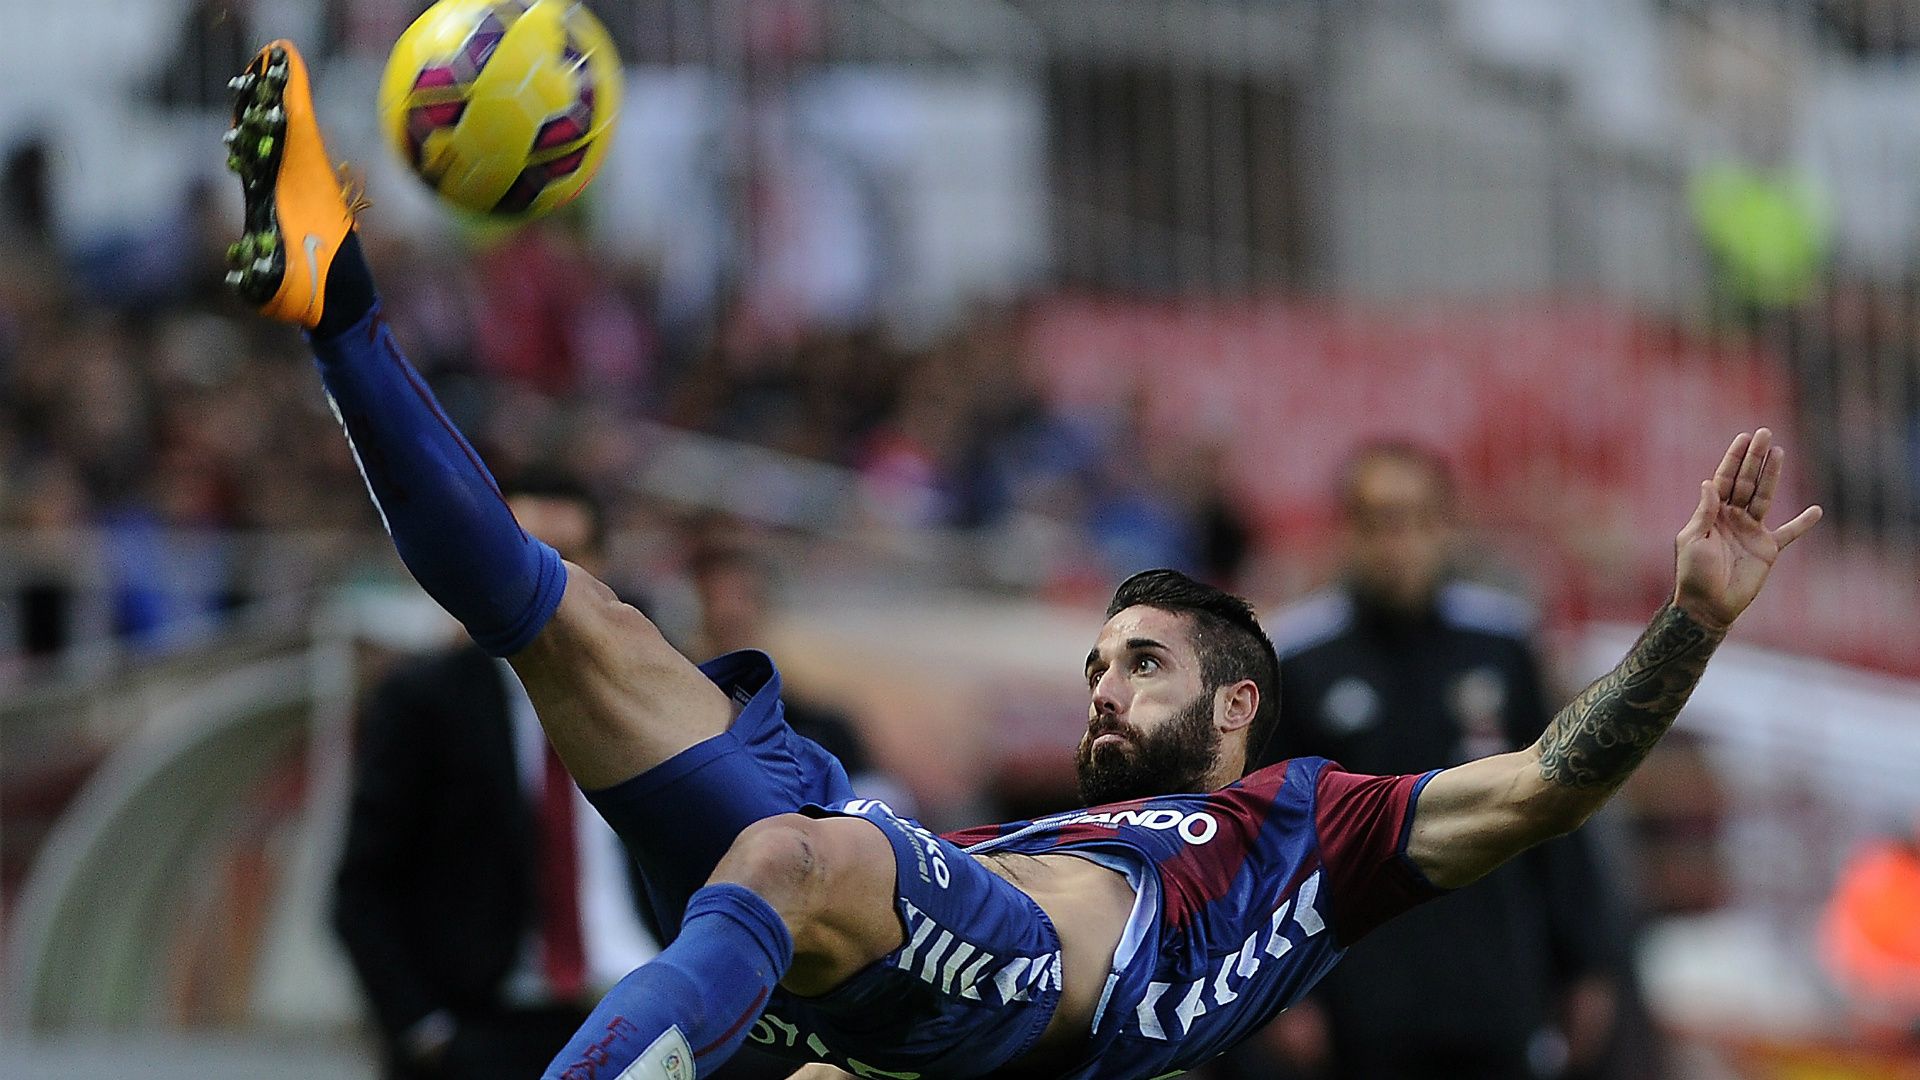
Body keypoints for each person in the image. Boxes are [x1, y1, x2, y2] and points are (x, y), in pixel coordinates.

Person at [224, 39, 1823, 1080]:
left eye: (1143, 661)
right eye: (1099, 663)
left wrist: (1689, 619)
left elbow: (1550, 779)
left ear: (1243, 700)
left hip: (1036, 981)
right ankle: (340, 302)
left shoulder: (1312, 826)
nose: (1108, 687)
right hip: (928, 918)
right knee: (582, 633)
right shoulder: (1060, 810)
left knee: (792, 861)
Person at [1249, 443, 1625, 1080]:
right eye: (1378, 521)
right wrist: (1280, 991)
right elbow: (1271, 839)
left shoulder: (1502, 648)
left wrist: (1587, 961)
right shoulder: (1300, 664)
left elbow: (1559, 813)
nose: (1398, 543)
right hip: (1362, 997)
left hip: (1495, 985)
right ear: (1348, 532)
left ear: (1447, 528)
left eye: (1416, 519)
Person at [332, 471, 664, 1080]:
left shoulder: (656, 697)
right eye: (528, 552)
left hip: (643, 1010)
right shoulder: (424, 704)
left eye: (570, 556)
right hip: (493, 1026)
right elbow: (362, 889)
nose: (550, 577)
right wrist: (427, 1034)